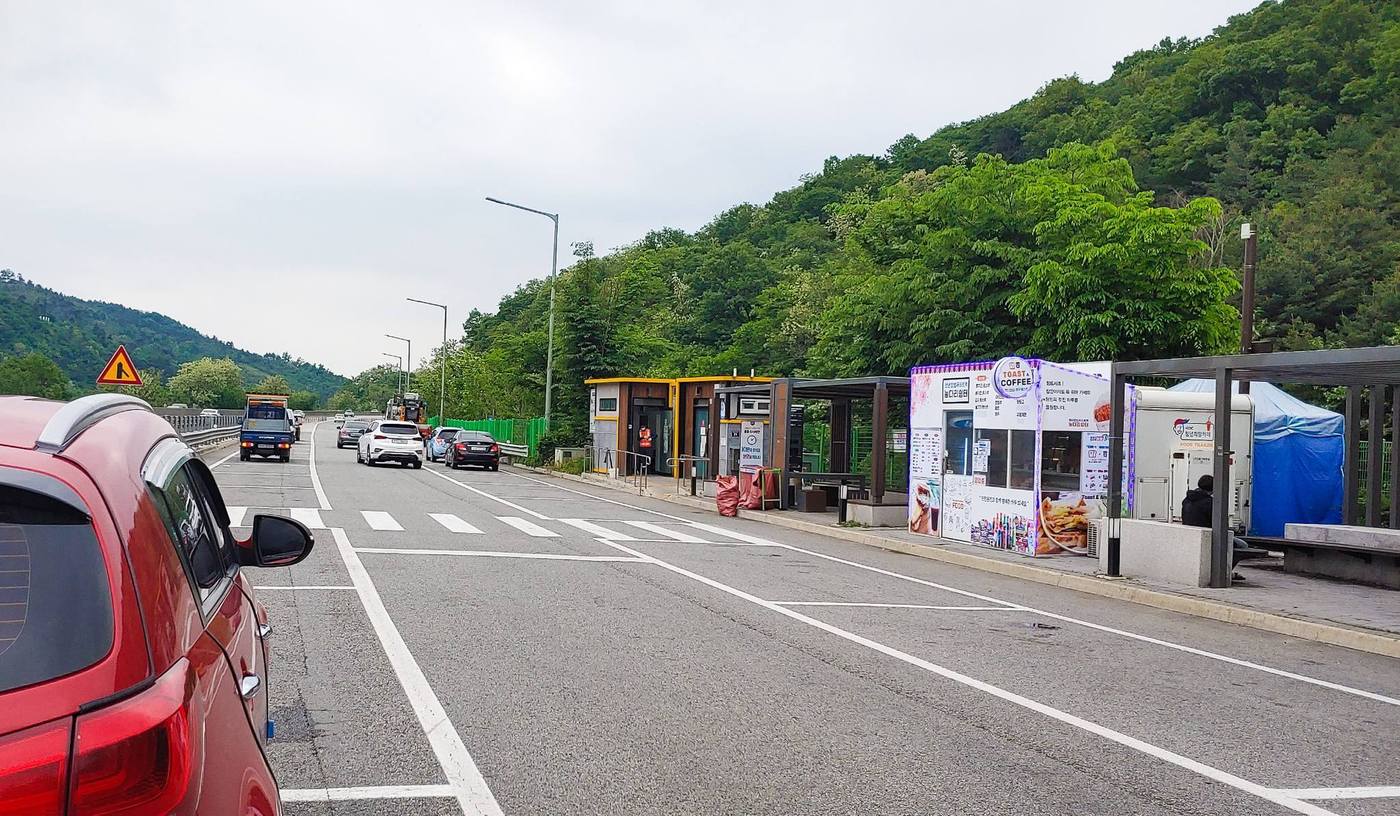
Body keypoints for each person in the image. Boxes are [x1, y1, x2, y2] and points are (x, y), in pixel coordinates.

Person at [1181, 474, 1248, 579]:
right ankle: (1224, 571)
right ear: (1212, 489)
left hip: (1192, 534)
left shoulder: (1187, 500)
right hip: (1209, 535)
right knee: (1242, 545)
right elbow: (1218, 524)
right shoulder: (1210, 503)